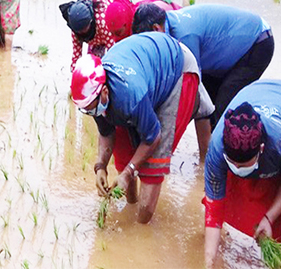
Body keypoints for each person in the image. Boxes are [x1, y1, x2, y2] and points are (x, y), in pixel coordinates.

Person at [68, 32, 214, 224]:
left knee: (152, 163)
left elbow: (153, 138)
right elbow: (107, 132)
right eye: (85, 110)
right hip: (145, 69)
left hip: (177, 71)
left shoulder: (129, 95)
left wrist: (128, 173)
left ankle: (142, 224)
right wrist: (101, 166)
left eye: (90, 108)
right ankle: (131, 207)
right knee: (124, 151)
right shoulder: (96, 99)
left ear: (104, 92)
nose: (90, 113)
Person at [132, 3, 274, 127]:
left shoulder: (184, 36)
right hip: (224, 51)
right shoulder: (166, 25)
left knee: (221, 105)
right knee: (209, 102)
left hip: (257, 43)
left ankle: (220, 151)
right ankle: (210, 146)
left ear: (156, 29)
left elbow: (191, 87)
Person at [202, 80, 281, 267]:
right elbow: (214, 210)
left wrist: (269, 217)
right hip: (252, 93)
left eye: (243, 164)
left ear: (261, 149)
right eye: (233, 163)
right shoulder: (217, 147)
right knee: (212, 204)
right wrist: (208, 263)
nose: (238, 167)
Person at [59, 0, 134, 68]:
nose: (82, 32)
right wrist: (75, 73)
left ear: (91, 21)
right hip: (98, 29)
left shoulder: (103, 22)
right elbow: (76, 56)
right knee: (92, 63)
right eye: (80, 32)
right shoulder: (75, 26)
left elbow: (112, 52)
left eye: (84, 29)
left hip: (118, 3)